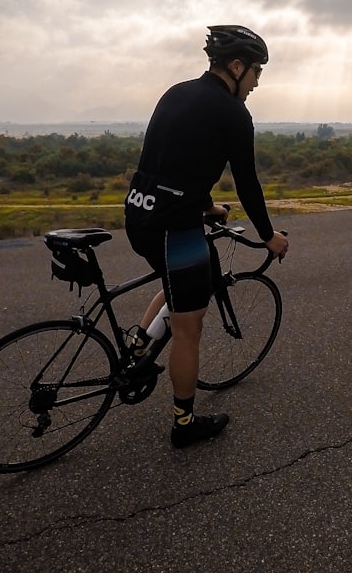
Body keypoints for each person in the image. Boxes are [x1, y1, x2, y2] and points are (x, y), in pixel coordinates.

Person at [124, 25, 289, 448]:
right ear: (236, 67)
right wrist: (269, 236)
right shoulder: (234, 113)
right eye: (256, 73)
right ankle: (184, 423)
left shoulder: (175, 92)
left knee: (177, 283)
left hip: (139, 213)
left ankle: (138, 351)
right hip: (171, 228)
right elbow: (248, 184)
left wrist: (206, 205)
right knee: (188, 327)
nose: (256, 83)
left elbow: (169, 165)